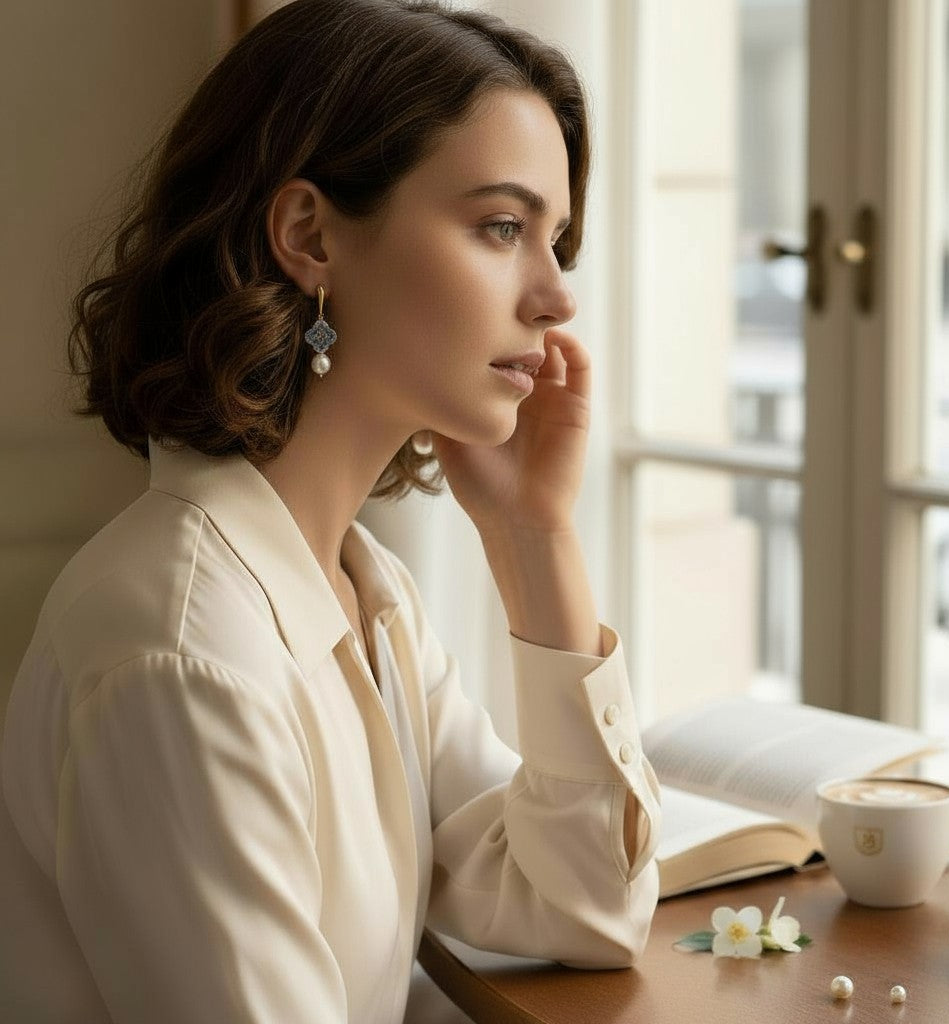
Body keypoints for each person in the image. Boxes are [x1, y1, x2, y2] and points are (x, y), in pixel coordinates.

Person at [0, 1, 661, 1021]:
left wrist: (535, 534)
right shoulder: (183, 654)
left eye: (556, 240)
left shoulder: (360, 587)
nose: (555, 296)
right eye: (502, 227)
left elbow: (585, 906)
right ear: (310, 233)